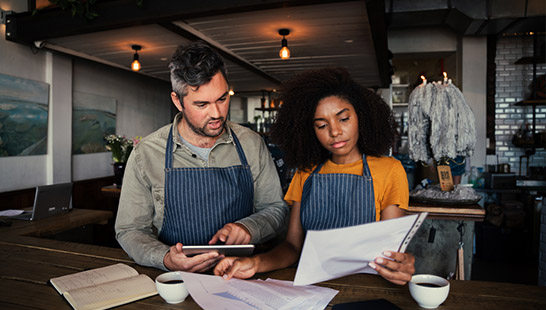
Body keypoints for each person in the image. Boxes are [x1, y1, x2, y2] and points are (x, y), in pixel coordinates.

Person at [214, 67, 415, 285]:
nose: (334, 131)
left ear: (362, 117)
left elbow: (390, 253)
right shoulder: (306, 172)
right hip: (311, 288)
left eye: (344, 119)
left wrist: (401, 265)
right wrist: (255, 263)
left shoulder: (389, 170)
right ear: (310, 130)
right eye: (321, 125)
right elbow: (292, 247)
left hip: (365, 288)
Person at [115, 41, 288, 272]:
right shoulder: (145, 153)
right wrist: (165, 257)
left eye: (222, 99)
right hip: (175, 279)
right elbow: (129, 230)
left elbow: (276, 208)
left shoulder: (251, 144)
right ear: (178, 101)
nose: (216, 113)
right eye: (201, 104)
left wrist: (249, 228)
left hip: (240, 275)